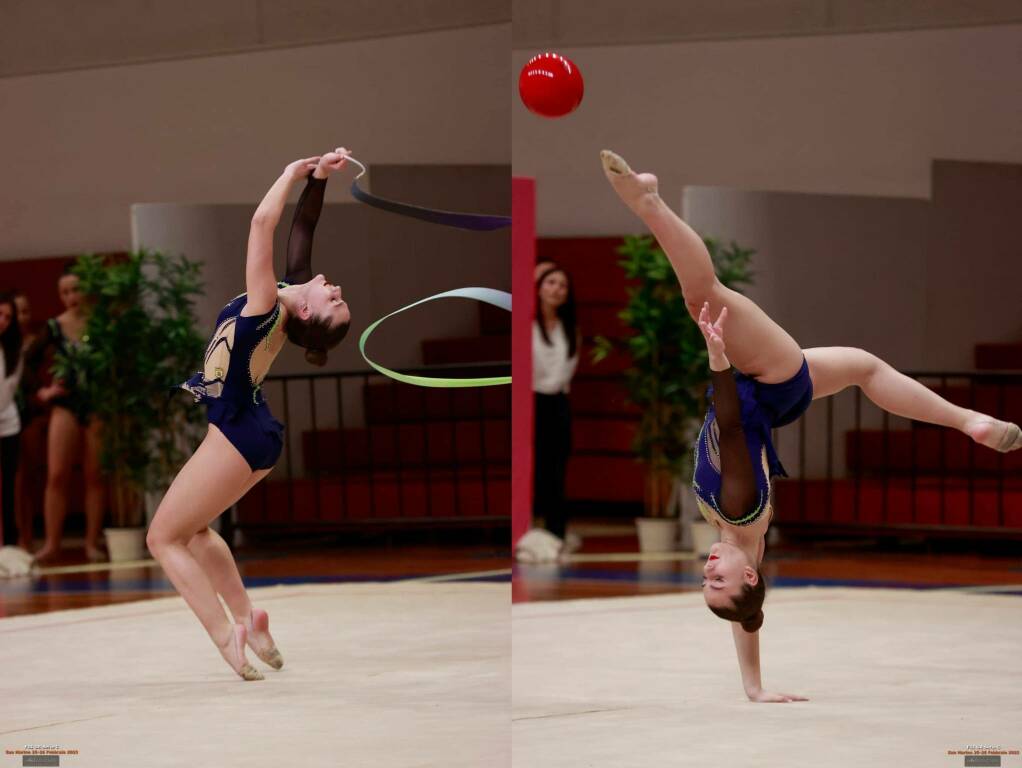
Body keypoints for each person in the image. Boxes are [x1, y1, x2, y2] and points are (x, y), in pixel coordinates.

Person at [600, 149, 1021, 703]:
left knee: (866, 369)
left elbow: (746, 615)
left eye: (706, 582)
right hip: (761, 381)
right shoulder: (739, 507)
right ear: (748, 575)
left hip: (776, 400)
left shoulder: (747, 546)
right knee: (704, 295)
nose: (708, 571)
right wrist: (718, 357)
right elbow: (728, 426)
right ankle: (648, 201)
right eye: (717, 579)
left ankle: (970, 423)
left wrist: (754, 686)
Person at [146, 149, 352, 681]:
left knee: (162, 538)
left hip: (238, 427)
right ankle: (249, 620)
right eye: (338, 297)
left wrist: (287, 171)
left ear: (307, 313)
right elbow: (302, 228)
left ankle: (225, 636)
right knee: (194, 532)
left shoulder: (265, 305)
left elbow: (263, 222)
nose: (335, 290)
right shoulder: (289, 294)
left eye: (334, 301)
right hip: (253, 431)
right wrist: (319, 179)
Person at [24, 270, 106, 564]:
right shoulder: (53, 327)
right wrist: (44, 391)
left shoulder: (100, 325)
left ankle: (91, 542)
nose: (72, 297)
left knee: (94, 476)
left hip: (96, 404)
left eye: (76, 289)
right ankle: (51, 543)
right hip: (65, 406)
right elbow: (27, 363)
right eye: (65, 292)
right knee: (56, 475)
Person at [533, 265, 580, 547]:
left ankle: (555, 532)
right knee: (535, 467)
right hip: (531, 402)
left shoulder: (570, 330)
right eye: (551, 282)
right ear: (539, 287)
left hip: (557, 403)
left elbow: (563, 371)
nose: (556, 289)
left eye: (562, 285)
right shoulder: (526, 326)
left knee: (556, 470)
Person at [0, 293, 24, 549]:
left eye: (8, 317)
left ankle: (9, 545)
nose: (3, 321)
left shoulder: (14, 350)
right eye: (0, 314)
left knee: (7, 489)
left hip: (7, 425)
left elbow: (6, 392)